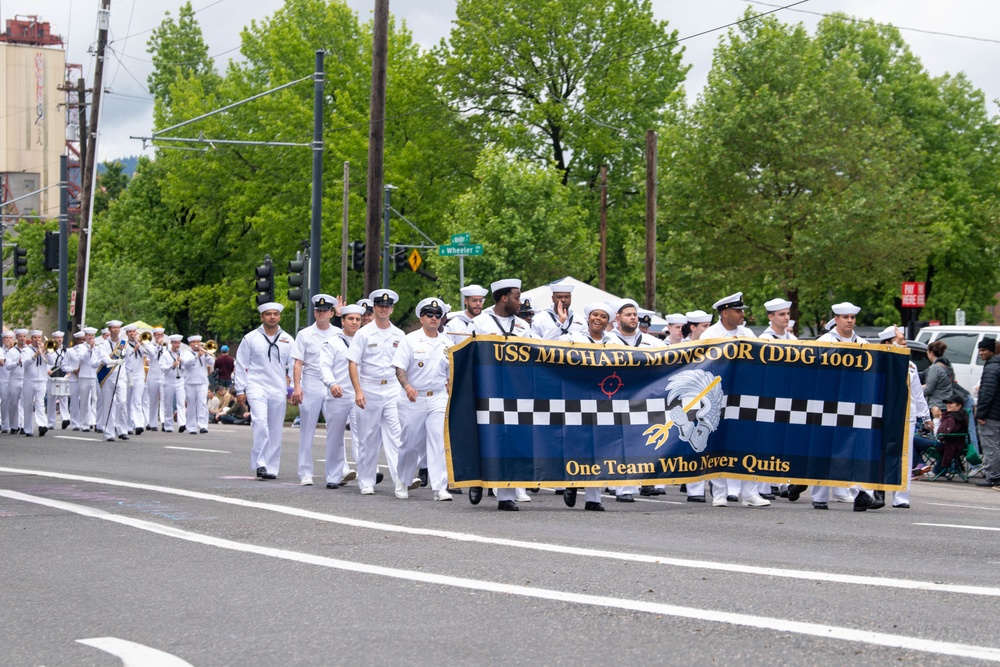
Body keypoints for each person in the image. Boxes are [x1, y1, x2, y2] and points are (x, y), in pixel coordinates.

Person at [800, 302, 883, 511]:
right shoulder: (824, 342)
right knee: (824, 449)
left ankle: (860, 493)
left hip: (854, 405)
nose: (849, 321)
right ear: (836, 319)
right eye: (845, 317)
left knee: (852, 450)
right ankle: (819, 495)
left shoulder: (863, 344)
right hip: (827, 404)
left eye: (852, 318)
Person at [470, 278, 536, 510]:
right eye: (516, 297)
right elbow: (468, 356)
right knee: (486, 438)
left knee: (511, 440)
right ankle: (477, 479)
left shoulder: (523, 327)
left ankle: (505, 495)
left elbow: (533, 357)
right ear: (504, 297)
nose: (520, 302)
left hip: (515, 391)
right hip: (487, 390)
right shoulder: (479, 323)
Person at [698, 293, 769, 508]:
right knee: (717, 442)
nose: (742, 314)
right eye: (738, 311)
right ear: (725, 312)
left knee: (747, 441)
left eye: (742, 310)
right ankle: (719, 494)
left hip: (743, 395)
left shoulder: (747, 333)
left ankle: (750, 493)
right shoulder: (710, 335)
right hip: (717, 395)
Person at [347, 289, 411, 496]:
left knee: (397, 437)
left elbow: (404, 365)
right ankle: (366, 480)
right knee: (368, 438)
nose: (384, 309)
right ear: (374, 308)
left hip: (392, 388)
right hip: (369, 388)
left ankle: (400, 482)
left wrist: (406, 388)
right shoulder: (363, 333)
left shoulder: (399, 335)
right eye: (380, 306)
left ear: (392, 309)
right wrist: (358, 391)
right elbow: (353, 363)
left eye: (387, 306)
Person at [559, 302, 621, 511]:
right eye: (595, 315)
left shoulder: (614, 342)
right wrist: (562, 324)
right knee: (576, 441)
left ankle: (594, 498)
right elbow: (546, 348)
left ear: (608, 321)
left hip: (603, 399)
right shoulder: (572, 337)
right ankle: (572, 481)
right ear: (588, 317)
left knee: (599, 446)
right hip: (575, 397)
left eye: (603, 316)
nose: (598, 319)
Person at [394, 297, 454, 501]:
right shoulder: (409, 340)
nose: (434, 318)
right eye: (430, 315)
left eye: (438, 315)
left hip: (438, 396)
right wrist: (407, 386)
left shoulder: (447, 342)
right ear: (421, 318)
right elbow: (400, 368)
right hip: (413, 397)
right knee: (410, 443)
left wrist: (450, 385)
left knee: (439, 441)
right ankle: (403, 480)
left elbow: (450, 372)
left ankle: (440, 487)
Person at [235, 302, 294, 480]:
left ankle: (272, 467)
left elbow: (294, 363)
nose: (272, 317)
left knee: (275, 428)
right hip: (256, 385)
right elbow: (241, 363)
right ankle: (260, 463)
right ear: (262, 317)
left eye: (275, 314)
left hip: (278, 387)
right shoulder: (251, 338)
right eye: (268, 314)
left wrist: (292, 383)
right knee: (260, 421)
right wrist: (240, 389)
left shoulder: (288, 339)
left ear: (279, 317)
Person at [291, 294, 345, 486]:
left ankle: (342, 470)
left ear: (331, 313)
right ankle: (305, 472)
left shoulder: (339, 332)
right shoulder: (304, 334)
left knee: (337, 428)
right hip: (312, 382)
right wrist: (297, 387)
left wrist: (342, 315)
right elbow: (298, 363)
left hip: (333, 383)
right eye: (318, 310)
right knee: (307, 429)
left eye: (325, 311)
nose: (321, 313)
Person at [320, 304, 366, 489]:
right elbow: (324, 366)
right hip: (338, 394)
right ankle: (333, 475)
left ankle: (365, 474)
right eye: (351, 319)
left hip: (360, 395)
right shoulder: (332, 342)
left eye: (357, 319)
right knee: (335, 437)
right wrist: (331, 384)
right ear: (342, 321)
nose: (354, 322)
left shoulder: (365, 340)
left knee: (362, 436)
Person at [93, 320, 130, 442]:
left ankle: (122, 430)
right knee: (108, 404)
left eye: (118, 328)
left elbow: (128, 360)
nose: (116, 330)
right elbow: (104, 360)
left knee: (122, 402)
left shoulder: (124, 343)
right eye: (113, 328)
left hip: (121, 377)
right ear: (109, 330)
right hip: (108, 377)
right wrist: (115, 362)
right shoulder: (103, 345)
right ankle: (109, 432)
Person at [974, 337, 1000, 490]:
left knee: (990, 445)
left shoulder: (991, 368)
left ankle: (993, 476)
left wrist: (981, 414)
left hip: (991, 414)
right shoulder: (996, 365)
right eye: (980, 350)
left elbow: (988, 393)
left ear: (992, 350)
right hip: (997, 413)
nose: (981, 353)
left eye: (983, 350)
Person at [21, 330, 52, 437]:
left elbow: (52, 362)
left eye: (39, 338)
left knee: (40, 403)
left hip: (42, 380)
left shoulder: (45, 349)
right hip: (29, 381)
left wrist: (46, 351)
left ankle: (42, 425)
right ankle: (28, 429)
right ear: (32, 338)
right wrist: (35, 355)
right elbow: (25, 363)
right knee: (28, 405)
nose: (37, 340)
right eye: (35, 337)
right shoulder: (26, 350)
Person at [181, 335, 214, 434]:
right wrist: (197, 356)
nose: (196, 344)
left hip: (203, 382)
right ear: (190, 344)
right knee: (191, 404)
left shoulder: (204, 352)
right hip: (190, 382)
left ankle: (203, 426)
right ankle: (191, 427)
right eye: (194, 342)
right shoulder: (186, 353)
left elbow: (212, 362)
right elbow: (186, 364)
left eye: (198, 342)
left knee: (202, 403)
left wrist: (207, 354)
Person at [122, 325, 148, 435]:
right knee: (127, 401)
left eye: (134, 331)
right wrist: (133, 350)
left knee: (138, 401)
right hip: (128, 374)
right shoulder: (124, 344)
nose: (133, 333)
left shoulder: (141, 344)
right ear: (127, 334)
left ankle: (138, 425)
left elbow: (150, 352)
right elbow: (124, 358)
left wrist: (142, 343)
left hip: (139, 374)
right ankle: (128, 425)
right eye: (130, 332)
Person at [160, 334, 187, 433]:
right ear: (171, 343)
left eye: (178, 343)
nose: (177, 345)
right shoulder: (165, 354)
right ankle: (168, 425)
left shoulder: (183, 353)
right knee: (168, 404)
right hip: (169, 381)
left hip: (180, 381)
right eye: (175, 343)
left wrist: (182, 363)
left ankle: (182, 424)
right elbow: (163, 368)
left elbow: (186, 367)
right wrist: (172, 365)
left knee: (181, 403)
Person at [45, 331, 70, 430]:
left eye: (61, 338)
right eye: (57, 338)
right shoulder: (49, 349)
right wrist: (47, 370)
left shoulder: (65, 350)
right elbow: (47, 361)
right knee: (51, 398)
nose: (59, 340)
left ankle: (65, 419)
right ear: (53, 339)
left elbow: (67, 362)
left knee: (63, 397)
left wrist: (69, 371)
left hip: (62, 374)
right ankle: (51, 422)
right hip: (51, 374)